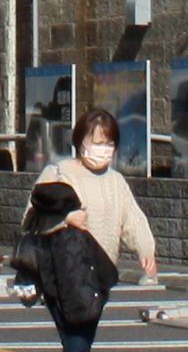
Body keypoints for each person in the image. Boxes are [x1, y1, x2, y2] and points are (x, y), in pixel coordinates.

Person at [10, 177, 116, 352]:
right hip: (82, 299)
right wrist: (102, 290)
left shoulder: (38, 234)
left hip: (60, 298)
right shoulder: (68, 237)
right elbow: (82, 272)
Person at [36, 107, 161, 286]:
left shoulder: (116, 182)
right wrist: (66, 219)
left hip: (101, 276)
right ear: (80, 142)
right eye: (96, 142)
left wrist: (146, 251)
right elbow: (33, 217)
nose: (102, 149)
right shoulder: (59, 174)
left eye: (108, 144)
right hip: (62, 275)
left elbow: (134, 221)